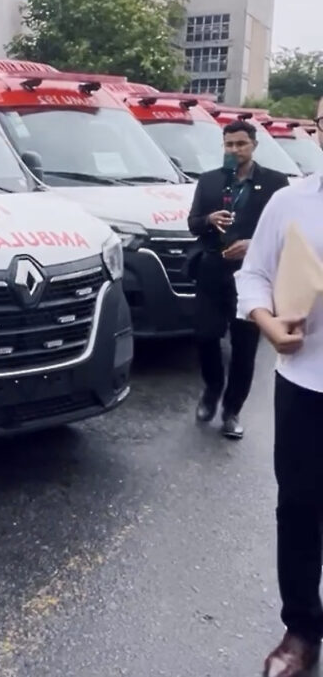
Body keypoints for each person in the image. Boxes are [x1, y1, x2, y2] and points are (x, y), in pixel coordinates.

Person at [234, 171, 323, 677]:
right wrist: (265, 321)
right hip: (306, 381)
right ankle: (302, 629)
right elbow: (254, 274)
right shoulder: (291, 201)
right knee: (299, 507)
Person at [186, 121, 288, 438]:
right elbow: (192, 223)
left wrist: (252, 244)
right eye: (229, 144)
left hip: (252, 276)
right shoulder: (210, 180)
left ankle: (232, 411)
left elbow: (286, 232)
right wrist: (208, 219)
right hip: (212, 270)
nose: (234, 150)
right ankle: (212, 388)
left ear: (254, 145)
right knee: (205, 336)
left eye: (241, 144)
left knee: (244, 348)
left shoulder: (275, 182)